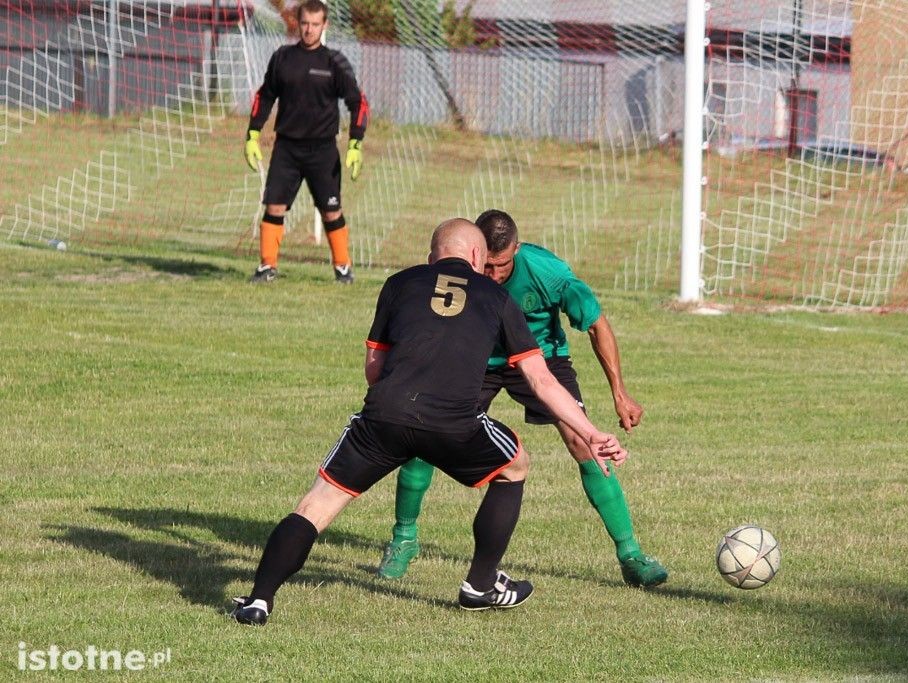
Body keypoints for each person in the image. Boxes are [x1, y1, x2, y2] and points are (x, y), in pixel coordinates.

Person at [231, 219, 628, 625]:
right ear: (477, 258)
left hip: (384, 417)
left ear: (431, 257)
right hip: (453, 425)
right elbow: (541, 380)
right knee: (515, 466)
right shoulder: (496, 296)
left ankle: (259, 600)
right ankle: (481, 583)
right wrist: (592, 432)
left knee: (317, 504)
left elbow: (374, 369)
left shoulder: (399, 284)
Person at [377, 209, 668, 588]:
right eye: (487, 267)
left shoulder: (548, 273)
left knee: (585, 443)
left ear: (516, 249)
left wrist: (620, 393)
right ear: (476, 253)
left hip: (540, 359)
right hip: (477, 360)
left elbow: (596, 324)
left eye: (502, 266)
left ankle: (631, 555)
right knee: (423, 434)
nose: (493, 276)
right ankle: (404, 539)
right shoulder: (457, 273)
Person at [243, 0, 369, 284]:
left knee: (331, 210)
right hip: (286, 148)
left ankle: (343, 268)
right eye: (305, 24)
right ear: (297, 24)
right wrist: (252, 133)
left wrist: (355, 143)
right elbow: (264, 96)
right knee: (274, 207)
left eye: (315, 24)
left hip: (323, 150)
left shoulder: (334, 62)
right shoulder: (283, 58)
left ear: (324, 26)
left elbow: (358, 103)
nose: (309, 30)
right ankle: (267, 267)